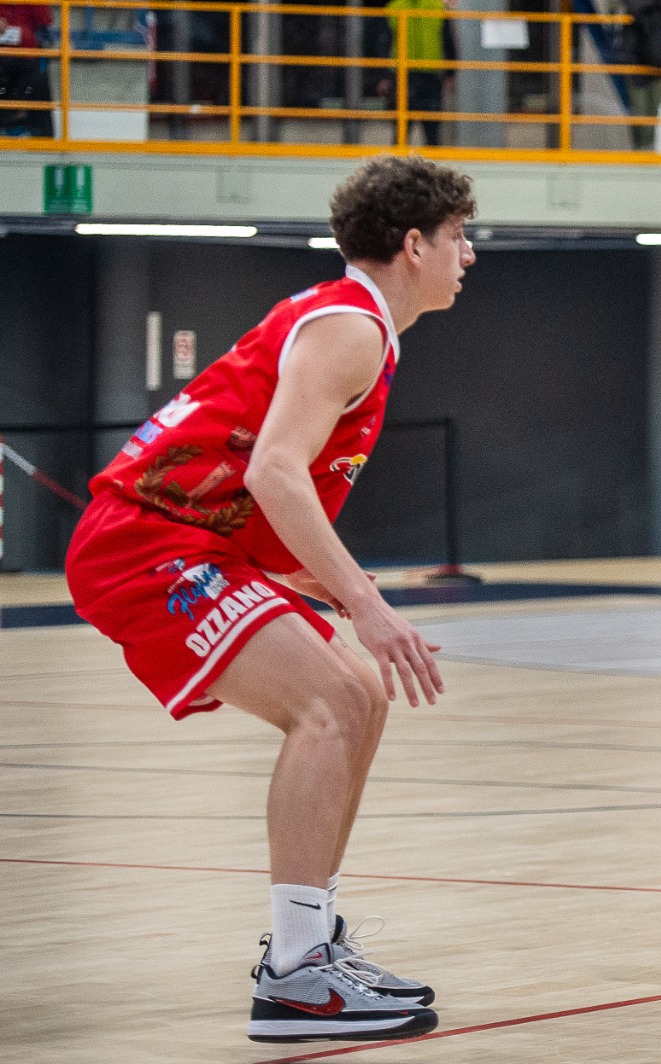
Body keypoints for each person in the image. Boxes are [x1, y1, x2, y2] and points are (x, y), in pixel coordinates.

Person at [65, 155, 477, 1043]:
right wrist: (365, 602)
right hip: (144, 541)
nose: (468, 255)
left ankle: (311, 943)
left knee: (361, 696)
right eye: (458, 237)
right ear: (414, 245)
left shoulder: (356, 325)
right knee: (330, 701)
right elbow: (275, 472)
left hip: (189, 540)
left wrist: (323, 587)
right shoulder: (351, 327)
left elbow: (253, 492)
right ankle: (294, 975)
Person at [380, 0, 457, 146]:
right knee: (402, 131)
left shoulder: (437, 7)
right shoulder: (394, 7)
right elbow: (383, 43)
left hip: (428, 76)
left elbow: (448, 41)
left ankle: (429, 161)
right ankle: (400, 161)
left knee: (430, 131)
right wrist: (384, 76)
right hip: (405, 75)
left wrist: (449, 74)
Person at [614, 0, 661, 150]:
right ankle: (640, 149)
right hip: (637, 59)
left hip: (659, 58)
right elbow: (631, 6)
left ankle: (648, 149)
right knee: (639, 111)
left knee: (652, 111)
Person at [0, 2, 54, 137]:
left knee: (38, 79)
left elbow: (44, 25)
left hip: (26, 55)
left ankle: (38, 133)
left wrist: (20, 34)